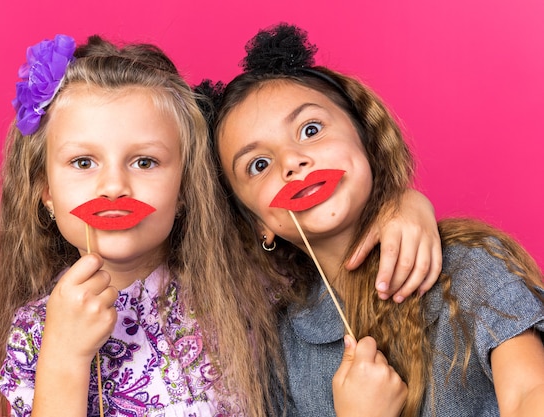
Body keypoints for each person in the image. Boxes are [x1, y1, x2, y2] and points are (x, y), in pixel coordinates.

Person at [0, 33, 441, 417]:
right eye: (83, 161)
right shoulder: (37, 333)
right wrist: (65, 357)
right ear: (44, 191)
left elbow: (328, 235)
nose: (114, 186)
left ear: (185, 189)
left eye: (145, 161)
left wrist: (401, 203)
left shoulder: (248, 279)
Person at [204, 23, 544, 417]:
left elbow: (529, 393)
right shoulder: (280, 351)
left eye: (310, 130)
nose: (291, 162)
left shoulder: (466, 268)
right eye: (258, 164)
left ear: (365, 138)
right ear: (257, 223)